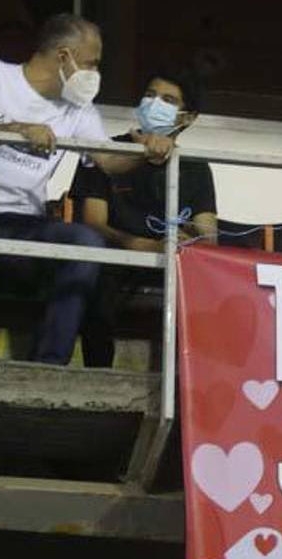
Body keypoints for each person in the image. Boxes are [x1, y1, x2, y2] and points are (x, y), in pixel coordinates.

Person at [0, 13, 174, 365]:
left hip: (24, 225)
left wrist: (147, 150)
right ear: (63, 56)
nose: (95, 74)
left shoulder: (78, 109)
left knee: (85, 244)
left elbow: (109, 161)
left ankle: (48, 366)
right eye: (91, 63)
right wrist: (17, 130)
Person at [72, 73, 217, 368]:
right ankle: (99, 375)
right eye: (150, 95)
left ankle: (184, 382)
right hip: (115, 258)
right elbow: (92, 222)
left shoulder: (195, 168)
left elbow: (209, 236)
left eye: (168, 100)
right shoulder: (108, 152)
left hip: (170, 263)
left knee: (206, 287)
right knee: (97, 281)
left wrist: (190, 237)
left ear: (188, 118)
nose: (154, 104)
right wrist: (141, 245)